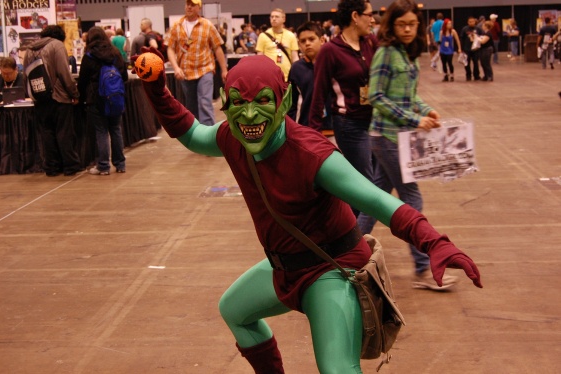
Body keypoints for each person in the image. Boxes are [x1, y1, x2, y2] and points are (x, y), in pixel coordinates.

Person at [133, 45, 482, 373]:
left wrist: (433, 241)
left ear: (284, 101)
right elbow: (194, 135)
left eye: (263, 101)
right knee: (235, 311)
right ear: (225, 101)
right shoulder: (232, 136)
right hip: (283, 267)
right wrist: (157, 90)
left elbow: (378, 201)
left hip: (330, 270)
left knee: (337, 369)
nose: (250, 114)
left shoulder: (314, 155)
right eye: (238, 102)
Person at [368, 0, 460, 290]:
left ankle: (344, 255)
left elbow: (409, 96)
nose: (407, 29)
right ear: (391, 25)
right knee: (412, 199)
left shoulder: (407, 53)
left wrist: (427, 111)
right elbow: (377, 97)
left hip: (398, 136)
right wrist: (413, 120)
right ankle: (424, 267)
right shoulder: (384, 53)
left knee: (373, 200)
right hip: (387, 137)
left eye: (412, 24)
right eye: (401, 24)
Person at [309, 0, 379, 237]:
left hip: (375, 123)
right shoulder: (331, 50)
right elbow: (319, 93)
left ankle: (335, 229)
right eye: (370, 15)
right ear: (355, 16)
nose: (373, 19)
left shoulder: (371, 42)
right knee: (369, 188)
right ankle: (350, 245)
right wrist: (313, 133)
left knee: (361, 188)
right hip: (349, 125)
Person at [23, 25, 81, 177]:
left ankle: (52, 167)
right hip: (59, 97)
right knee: (64, 132)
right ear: (60, 36)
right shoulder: (57, 45)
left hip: (39, 98)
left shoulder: (29, 50)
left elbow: (25, 76)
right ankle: (70, 166)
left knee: (47, 133)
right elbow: (64, 73)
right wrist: (74, 93)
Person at [166, 0, 228, 125]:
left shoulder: (207, 25)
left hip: (205, 69)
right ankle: (196, 135)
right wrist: (176, 68)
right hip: (185, 72)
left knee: (205, 103)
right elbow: (170, 48)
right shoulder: (176, 26)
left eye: (192, 5)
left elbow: (217, 48)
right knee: (191, 106)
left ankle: (209, 136)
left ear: (199, 8)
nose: (189, 7)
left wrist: (224, 70)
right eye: (187, 4)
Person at [78, 26, 128, 176]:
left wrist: (81, 99)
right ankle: (120, 164)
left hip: (96, 99)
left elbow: (82, 81)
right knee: (116, 129)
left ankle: (103, 166)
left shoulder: (89, 56)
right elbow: (124, 76)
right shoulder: (115, 53)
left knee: (101, 131)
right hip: (115, 98)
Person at [287, 22, 326, 127]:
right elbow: (291, 103)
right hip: (305, 128)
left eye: (311, 39)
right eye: (303, 41)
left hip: (332, 128)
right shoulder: (296, 68)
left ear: (322, 40)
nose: (307, 43)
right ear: (299, 44)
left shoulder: (332, 64)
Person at [256, 8, 299, 81]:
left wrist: (297, 73)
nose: (273, 19)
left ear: (283, 19)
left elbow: (295, 58)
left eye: (276, 17)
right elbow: (259, 58)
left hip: (287, 77)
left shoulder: (291, 35)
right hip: (268, 77)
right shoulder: (263, 36)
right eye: (272, 17)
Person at [460, 16, 483, 81]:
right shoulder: (465, 29)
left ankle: (476, 75)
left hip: (475, 49)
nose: (471, 23)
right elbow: (462, 39)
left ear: (475, 22)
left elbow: (482, 37)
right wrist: (461, 48)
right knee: (466, 63)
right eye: (470, 22)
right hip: (467, 49)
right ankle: (468, 75)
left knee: (476, 63)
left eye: (473, 21)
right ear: (468, 22)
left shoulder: (478, 29)